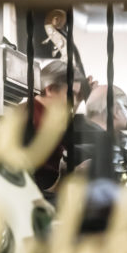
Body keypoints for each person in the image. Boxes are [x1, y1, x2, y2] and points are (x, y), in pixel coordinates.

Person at [27, 60, 94, 196]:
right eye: (72, 95)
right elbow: (39, 187)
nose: (74, 102)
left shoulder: (42, 115)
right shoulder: (34, 120)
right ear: (50, 89)